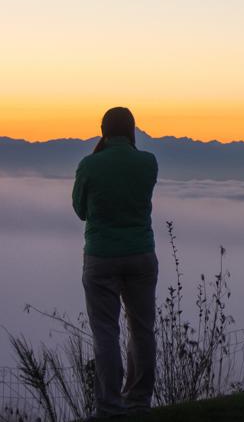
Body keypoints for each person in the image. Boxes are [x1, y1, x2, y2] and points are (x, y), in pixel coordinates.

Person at [72, 107, 159, 419]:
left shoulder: (89, 165)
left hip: (101, 257)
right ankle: (138, 404)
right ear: (132, 130)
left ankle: (110, 408)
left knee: (106, 333)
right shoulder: (149, 163)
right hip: (142, 255)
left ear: (103, 130)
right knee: (143, 330)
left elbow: (81, 210)